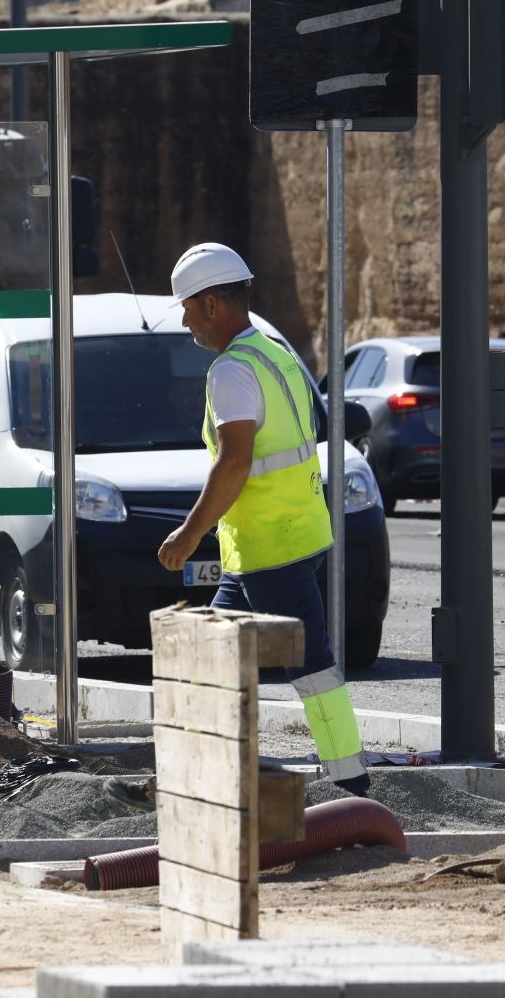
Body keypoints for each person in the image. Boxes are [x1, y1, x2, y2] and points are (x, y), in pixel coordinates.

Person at [155, 242, 370, 796]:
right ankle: (197, 778)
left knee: (311, 665)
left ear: (210, 303)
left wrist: (190, 533)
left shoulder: (231, 370)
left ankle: (351, 783)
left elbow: (235, 462)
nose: (185, 322)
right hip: (282, 538)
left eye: (187, 308)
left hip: (271, 546)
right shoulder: (275, 352)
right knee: (210, 660)